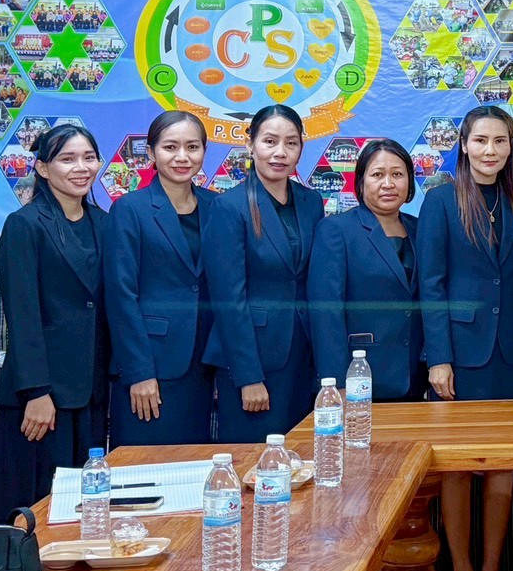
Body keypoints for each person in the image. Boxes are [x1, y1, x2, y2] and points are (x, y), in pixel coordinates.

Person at [419, 105, 513, 571]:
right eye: (480, 140)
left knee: (501, 466)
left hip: (512, 354)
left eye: (499, 141)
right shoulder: (441, 200)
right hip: (459, 355)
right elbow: (431, 284)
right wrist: (438, 357)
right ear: (464, 145)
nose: (490, 150)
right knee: (456, 468)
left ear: (511, 147)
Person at [0, 124, 109, 523]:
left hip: (89, 393)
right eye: (67, 159)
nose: (81, 168)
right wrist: (36, 392)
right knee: (35, 506)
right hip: (42, 398)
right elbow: (22, 314)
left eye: (88, 158)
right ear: (42, 168)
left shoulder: (103, 223)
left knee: (82, 508)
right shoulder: (24, 225)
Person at [202, 105, 324, 441]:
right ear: (250, 144)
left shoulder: (312, 202)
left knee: (302, 456)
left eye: (291, 143)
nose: (280, 152)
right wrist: (248, 377)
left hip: (303, 355)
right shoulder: (229, 206)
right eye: (270, 141)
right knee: (256, 460)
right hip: (253, 360)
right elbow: (228, 300)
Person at [104, 111, 216, 447]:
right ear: (152, 152)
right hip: (151, 363)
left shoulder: (217, 206)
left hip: (204, 364)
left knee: (194, 464)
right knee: (144, 466)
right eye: (170, 147)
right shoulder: (130, 209)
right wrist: (139, 372)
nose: (182, 157)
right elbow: (121, 296)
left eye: (192, 147)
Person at [309, 139, 427, 401]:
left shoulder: (420, 229)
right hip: (360, 375)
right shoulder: (336, 230)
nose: (388, 183)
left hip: (415, 375)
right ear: (361, 182)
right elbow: (326, 312)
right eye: (377, 175)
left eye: (397, 174)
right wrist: (336, 382)